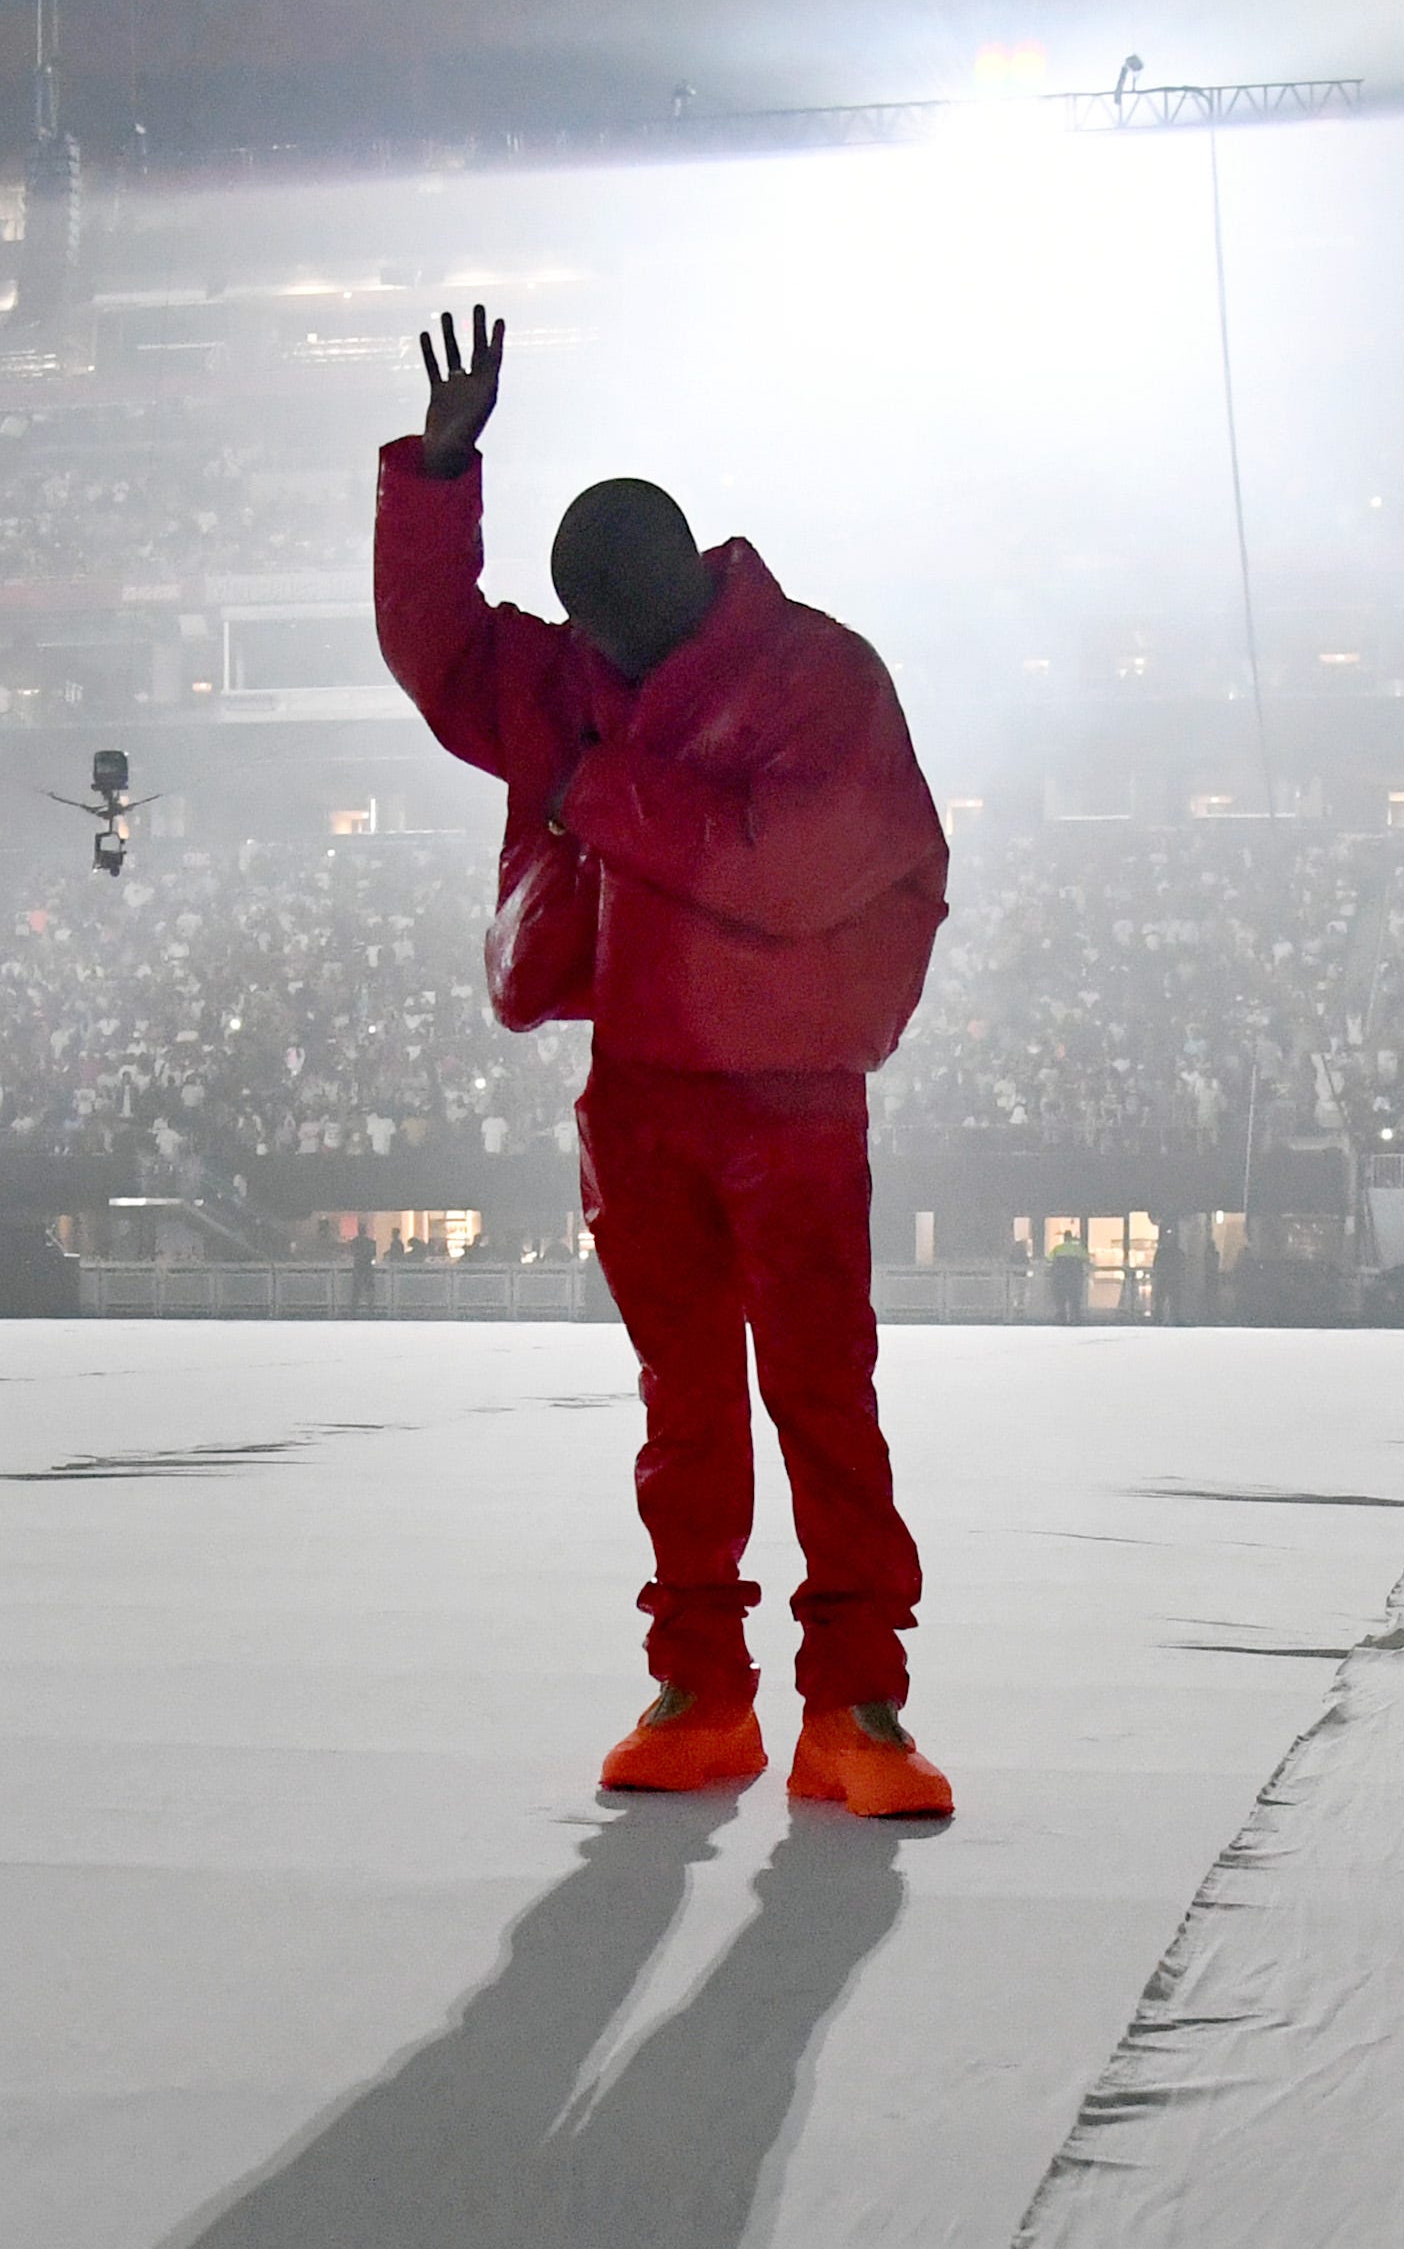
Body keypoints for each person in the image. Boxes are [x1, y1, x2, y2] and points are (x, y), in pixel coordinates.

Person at [374, 303, 953, 1818]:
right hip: (642, 1090)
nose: (601, 660)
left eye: (620, 635)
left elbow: (789, 868)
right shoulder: (581, 670)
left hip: (787, 1095)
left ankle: (858, 1701)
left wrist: (590, 785)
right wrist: (438, 481)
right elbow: (443, 658)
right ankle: (702, 1684)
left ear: (685, 581)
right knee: (683, 1398)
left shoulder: (821, 675)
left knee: (820, 1392)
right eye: (590, 642)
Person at [1048, 1227, 1089, 1325]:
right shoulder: (1078, 1248)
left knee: (1060, 1299)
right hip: (1075, 1278)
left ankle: (1061, 1318)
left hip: (1060, 1278)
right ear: (1071, 1238)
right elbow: (1086, 1258)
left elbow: (1050, 1259)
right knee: (1074, 1299)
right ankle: (1075, 1318)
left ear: (1064, 1238)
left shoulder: (1058, 1248)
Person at [1150, 1223, 1185, 1324]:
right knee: (1161, 1300)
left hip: (1171, 1280)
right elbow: (1156, 1266)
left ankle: (1173, 1318)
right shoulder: (1164, 1253)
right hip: (1164, 1280)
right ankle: (1159, 1318)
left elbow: (1182, 1266)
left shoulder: (1175, 1252)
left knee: (1174, 1300)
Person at [348, 1220, 377, 1316]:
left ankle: (354, 1310)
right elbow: (373, 1254)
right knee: (369, 1289)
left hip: (358, 1267)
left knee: (356, 1289)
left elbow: (352, 1253)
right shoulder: (371, 1242)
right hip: (368, 1267)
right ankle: (370, 1309)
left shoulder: (354, 1242)